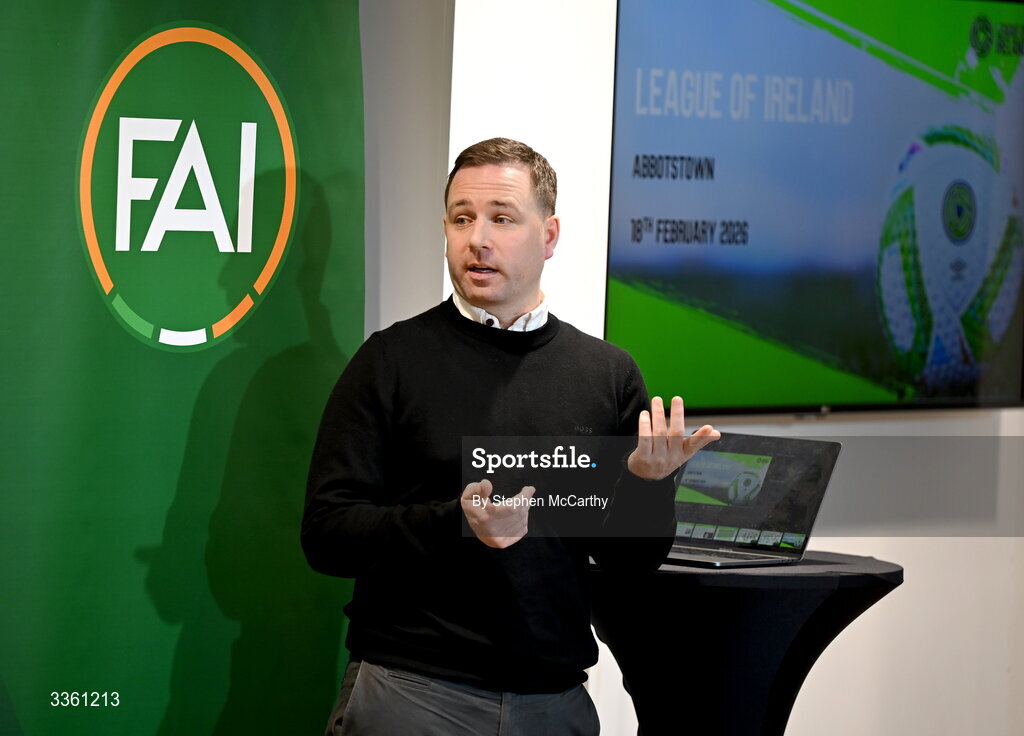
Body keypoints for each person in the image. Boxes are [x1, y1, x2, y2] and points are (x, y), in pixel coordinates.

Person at [302, 138, 719, 735]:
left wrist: (647, 486)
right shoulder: (390, 361)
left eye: (501, 219)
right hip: (413, 695)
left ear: (549, 236)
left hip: (554, 703)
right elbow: (326, 535)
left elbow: (628, 564)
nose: (477, 239)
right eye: (461, 218)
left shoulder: (606, 375)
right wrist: (456, 522)